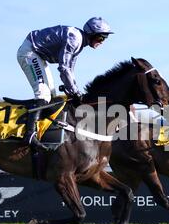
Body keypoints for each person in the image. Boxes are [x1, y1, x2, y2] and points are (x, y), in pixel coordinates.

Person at [17, 17, 114, 150]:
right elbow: (63, 68)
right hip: (30, 52)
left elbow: (70, 71)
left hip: (38, 55)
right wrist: (74, 91)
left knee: (51, 96)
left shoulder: (79, 43)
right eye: (101, 38)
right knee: (43, 94)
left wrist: (75, 90)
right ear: (92, 34)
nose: (102, 42)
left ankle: (42, 133)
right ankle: (29, 135)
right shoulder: (75, 39)